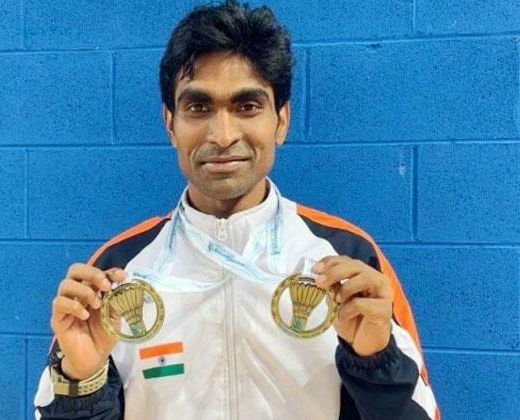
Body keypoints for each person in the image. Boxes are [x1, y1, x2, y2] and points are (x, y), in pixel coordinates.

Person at [34, 2, 439, 419]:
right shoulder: (118, 273)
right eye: (198, 108)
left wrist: (376, 362)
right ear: (170, 124)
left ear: (281, 120)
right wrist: (82, 382)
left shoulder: (348, 259)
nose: (223, 135)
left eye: (247, 107)